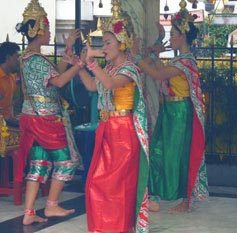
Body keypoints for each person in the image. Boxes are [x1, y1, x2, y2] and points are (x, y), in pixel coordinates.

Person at [76, 1, 149, 232]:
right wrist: (79, 67)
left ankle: (118, 227)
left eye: (108, 43)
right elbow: (92, 87)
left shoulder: (129, 69)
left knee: (116, 185)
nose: (103, 47)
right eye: (103, 43)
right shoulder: (109, 69)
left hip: (123, 133)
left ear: (123, 43)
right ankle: (104, 227)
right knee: (97, 183)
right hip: (107, 128)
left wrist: (92, 64)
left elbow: (109, 85)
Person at [133, 0, 208, 213]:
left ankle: (185, 200)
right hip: (170, 112)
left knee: (179, 155)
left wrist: (137, 56)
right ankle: (158, 193)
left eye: (173, 35)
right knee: (160, 151)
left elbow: (157, 74)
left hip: (180, 113)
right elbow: (160, 71)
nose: (171, 39)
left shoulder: (185, 62)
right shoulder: (179, 61)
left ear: (183, 36)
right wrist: (155, 51)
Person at [15, 0, 82, 225]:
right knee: (66, 161)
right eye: (47, 26)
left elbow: (53, 78)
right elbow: (60, 80)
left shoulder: (27, 58)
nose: (50, 31)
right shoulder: (37, 60)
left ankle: (29, 212)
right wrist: (80, 65)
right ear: (39, 30)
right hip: (46, 119)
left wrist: (69, 50)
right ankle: (52, 205)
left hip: (33, 117)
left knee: (39, 162)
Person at [0, 41, 20, 120]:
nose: (19, 61)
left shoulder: (12, 76)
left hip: (7, 124)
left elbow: (10, 103)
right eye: (17, 57)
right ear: (8, 57)